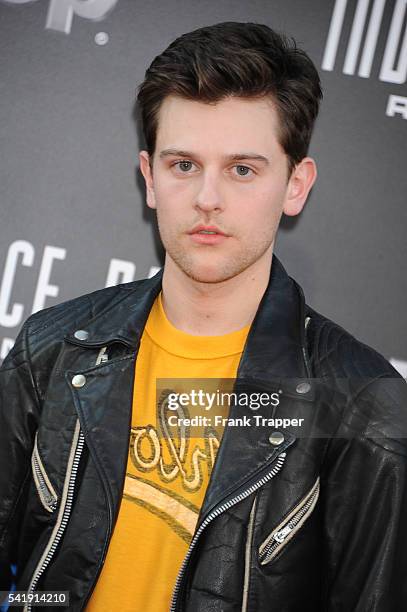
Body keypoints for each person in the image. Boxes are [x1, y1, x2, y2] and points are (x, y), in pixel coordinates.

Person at [1, 21, 406, 612]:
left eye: (243, 169)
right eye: (184, 165)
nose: (207, 198)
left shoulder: (364, 405)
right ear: (149, 178)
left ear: (296, 186)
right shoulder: (54, 350)